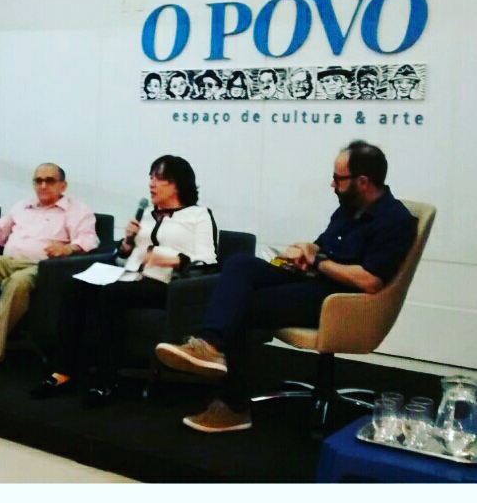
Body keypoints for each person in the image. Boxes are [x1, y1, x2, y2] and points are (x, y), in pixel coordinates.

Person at [155, 141, 416, 433]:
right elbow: (322, 247)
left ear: (363, 181)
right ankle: (209, 344)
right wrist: (305, 251)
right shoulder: (349, 208)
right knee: (241, 264)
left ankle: (234, 406)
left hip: (339, 300)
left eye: (338, 178)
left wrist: (319, 262)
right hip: (315, 280)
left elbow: (370, 281)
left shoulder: (395, 220)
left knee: (245, 304)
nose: (332, 184)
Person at [31, 155, 217, 406]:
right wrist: (127, 243)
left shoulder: (198, 215)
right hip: (129, 275)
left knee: (112, 294)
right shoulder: (148, 214)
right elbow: (121, 257)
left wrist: (174, 260)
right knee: (75, 286)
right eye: (150, 178)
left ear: (178, 184)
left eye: (159, 179)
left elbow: (208, 260)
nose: (152, 184)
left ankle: (107, 380)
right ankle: (63, 370)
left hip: (169, 285)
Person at [0, 163, 99, 377]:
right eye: (38, 181)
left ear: (63, 185)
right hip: (8, 261)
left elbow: (90, 239)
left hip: (43, 268)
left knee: (17, 282)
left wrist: (68, 248)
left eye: (49, 180)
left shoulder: (77, 210)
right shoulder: (23, 206)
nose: (43, 185)